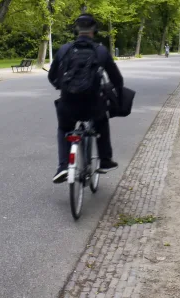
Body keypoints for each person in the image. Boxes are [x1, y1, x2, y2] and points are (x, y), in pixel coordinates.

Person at [48, 13, 124, 184]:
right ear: (94, 30)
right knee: (102, 122)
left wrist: (61, 86)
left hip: (68, 103)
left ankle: (63, 167)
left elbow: (52, 76)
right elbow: (117, 79)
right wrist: (116, 92)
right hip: (93, 104)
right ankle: (104, 160)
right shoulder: (100, 51)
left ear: (77, 30)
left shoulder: (64, 49)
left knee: (64, 129)